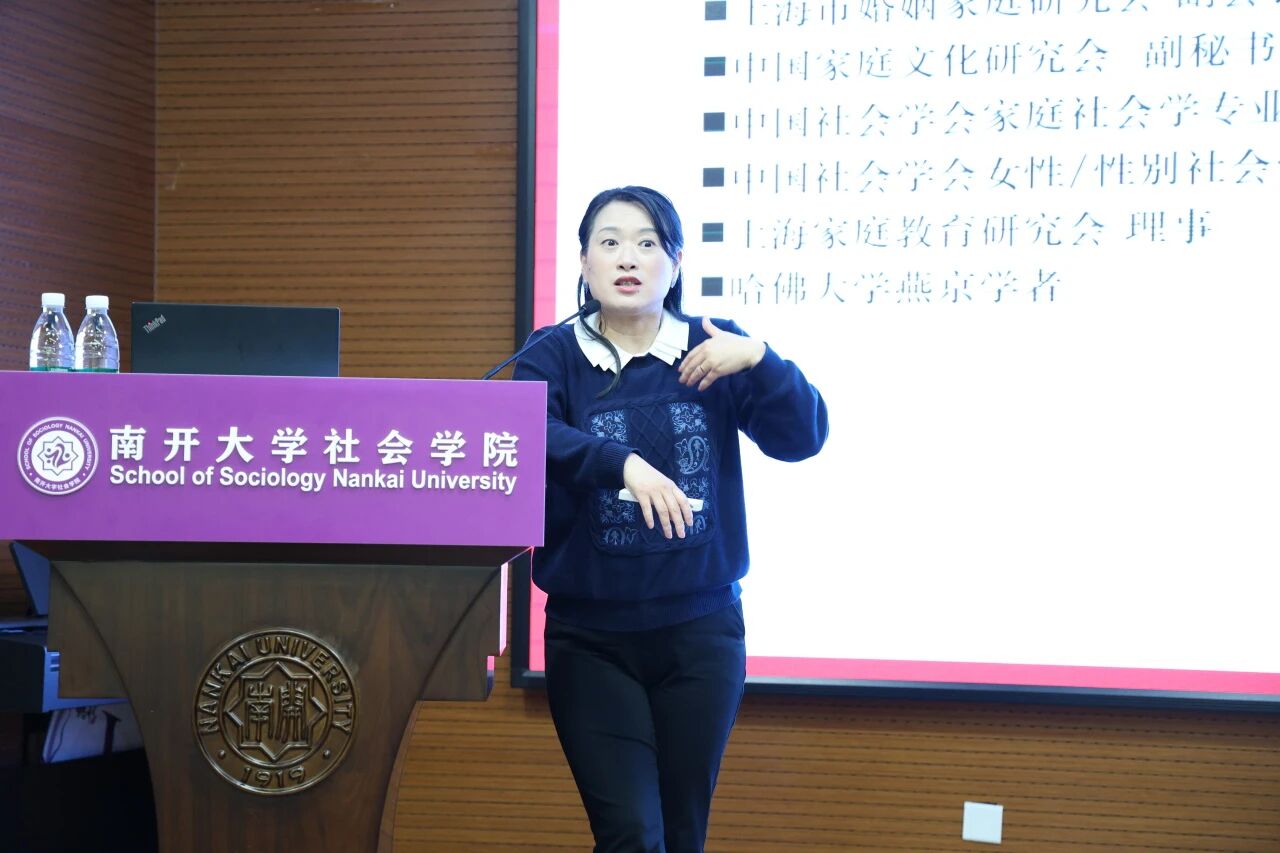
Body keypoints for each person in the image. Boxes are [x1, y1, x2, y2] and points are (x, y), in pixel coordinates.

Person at [513, 186, 828, 853]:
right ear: (583, 262)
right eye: (609, 242)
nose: (628, 257)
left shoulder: (714, 347)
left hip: (701, 637)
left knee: (682, 835)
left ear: (676, 262)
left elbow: (802, 439)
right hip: (591, 642)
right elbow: (525, 431)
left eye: (647, 243)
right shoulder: (552, 353)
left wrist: (763, 360)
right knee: (630, 834)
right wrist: (620, 463)